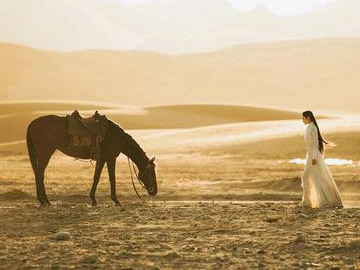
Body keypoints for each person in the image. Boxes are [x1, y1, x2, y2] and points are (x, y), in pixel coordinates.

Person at [300, 111, 343, 208]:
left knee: (314, 177)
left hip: (314, 156)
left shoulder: (312, 128)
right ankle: (307, 202)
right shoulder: (309, 127)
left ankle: (326, 201)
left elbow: (315, 143)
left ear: (308, 117)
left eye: (303, 118)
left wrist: (314, 157)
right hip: (310, 155)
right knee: (308, 177)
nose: (302, 120)